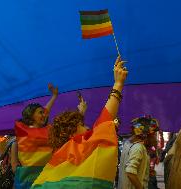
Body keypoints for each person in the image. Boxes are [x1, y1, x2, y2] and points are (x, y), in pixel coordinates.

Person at [31, 56, 128, 188]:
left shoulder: (57, 159)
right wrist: (118, 84)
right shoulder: (79, 149)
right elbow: (104, 119)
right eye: (82, 125)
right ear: (69, 133)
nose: (88, 127)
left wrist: (80, 112)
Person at [11, 84, 58, 189]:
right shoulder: (23, 134)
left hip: (45, 177)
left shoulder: (46, 130)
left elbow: (46, 111)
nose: (44, 115)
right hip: (26, 180)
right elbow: (14, 160)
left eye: (44, 113)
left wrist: (54, 96)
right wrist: (18, 171)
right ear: (31, 115)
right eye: (40, 113)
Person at [118, 116, 150, 189]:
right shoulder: (138, 148)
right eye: (152, 134)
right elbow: (130, 172)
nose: (154, 139)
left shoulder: (127, 143)